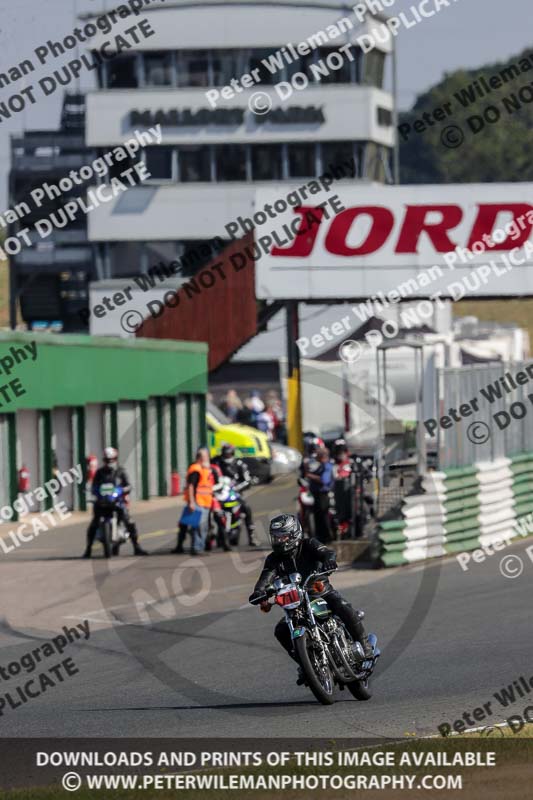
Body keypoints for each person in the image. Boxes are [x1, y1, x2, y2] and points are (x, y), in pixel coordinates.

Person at [248, 514, 373, 683]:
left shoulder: (309, 544)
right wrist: (259, 591)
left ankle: (365, 647)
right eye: (275, 537)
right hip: (296, 603)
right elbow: (265, 578)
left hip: (320, 592)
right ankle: (307, 665)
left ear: (294, 534)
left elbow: (327, 552)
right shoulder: (273, 559)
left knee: (342, 605)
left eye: (282, 536)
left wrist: (329, 561)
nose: (279, 540)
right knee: (281, 631)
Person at [83, 447, 147, 557]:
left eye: (111, 459)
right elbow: (94, 486)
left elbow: (128, 485)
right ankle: (88, 549)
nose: (109, 462)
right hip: (102, 502)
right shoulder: (99, 473)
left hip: (117, 501)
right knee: (93, 524)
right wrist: (94, 491)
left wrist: (123, 490)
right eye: (107, 460)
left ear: (115, 459)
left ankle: (137, 547)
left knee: (129, 521)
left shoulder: (121, 472)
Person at [212, 444, 258, 546]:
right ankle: (210, 534)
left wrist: (238, 487)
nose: (227, 456)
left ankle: (251, 536)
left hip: (235, 493)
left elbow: (247, 480)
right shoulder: (216, 462)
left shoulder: (239, 464)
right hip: (219, 494)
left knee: (246, 508)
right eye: (225, 454)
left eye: (229, 454)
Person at [172, 447, 214, 555]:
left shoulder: (204, 469)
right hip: (198, 502)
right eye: (206, 457)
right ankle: (197, 548)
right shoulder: (196, 469)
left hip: (205, 502)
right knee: (199, 526)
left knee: (196, 525)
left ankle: (195, 547)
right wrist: (191, 502)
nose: (208, 458)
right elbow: (191, 486)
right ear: (200, 458)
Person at [305, 446, 334, 543]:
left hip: (322, 494)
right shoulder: (320, 465)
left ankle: (326, 537)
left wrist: (310, 476)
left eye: (317, 455)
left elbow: (324, 480)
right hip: (316, 494)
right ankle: (319, 536)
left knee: (323, 516)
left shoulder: (327, 466)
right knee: (318, 516)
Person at [332, 439, 353, 536]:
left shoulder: (351, 462)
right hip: (336, 493)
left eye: (342, 451)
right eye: (338, 451)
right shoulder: (333, 464)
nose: (340, 454)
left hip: (350, 493)